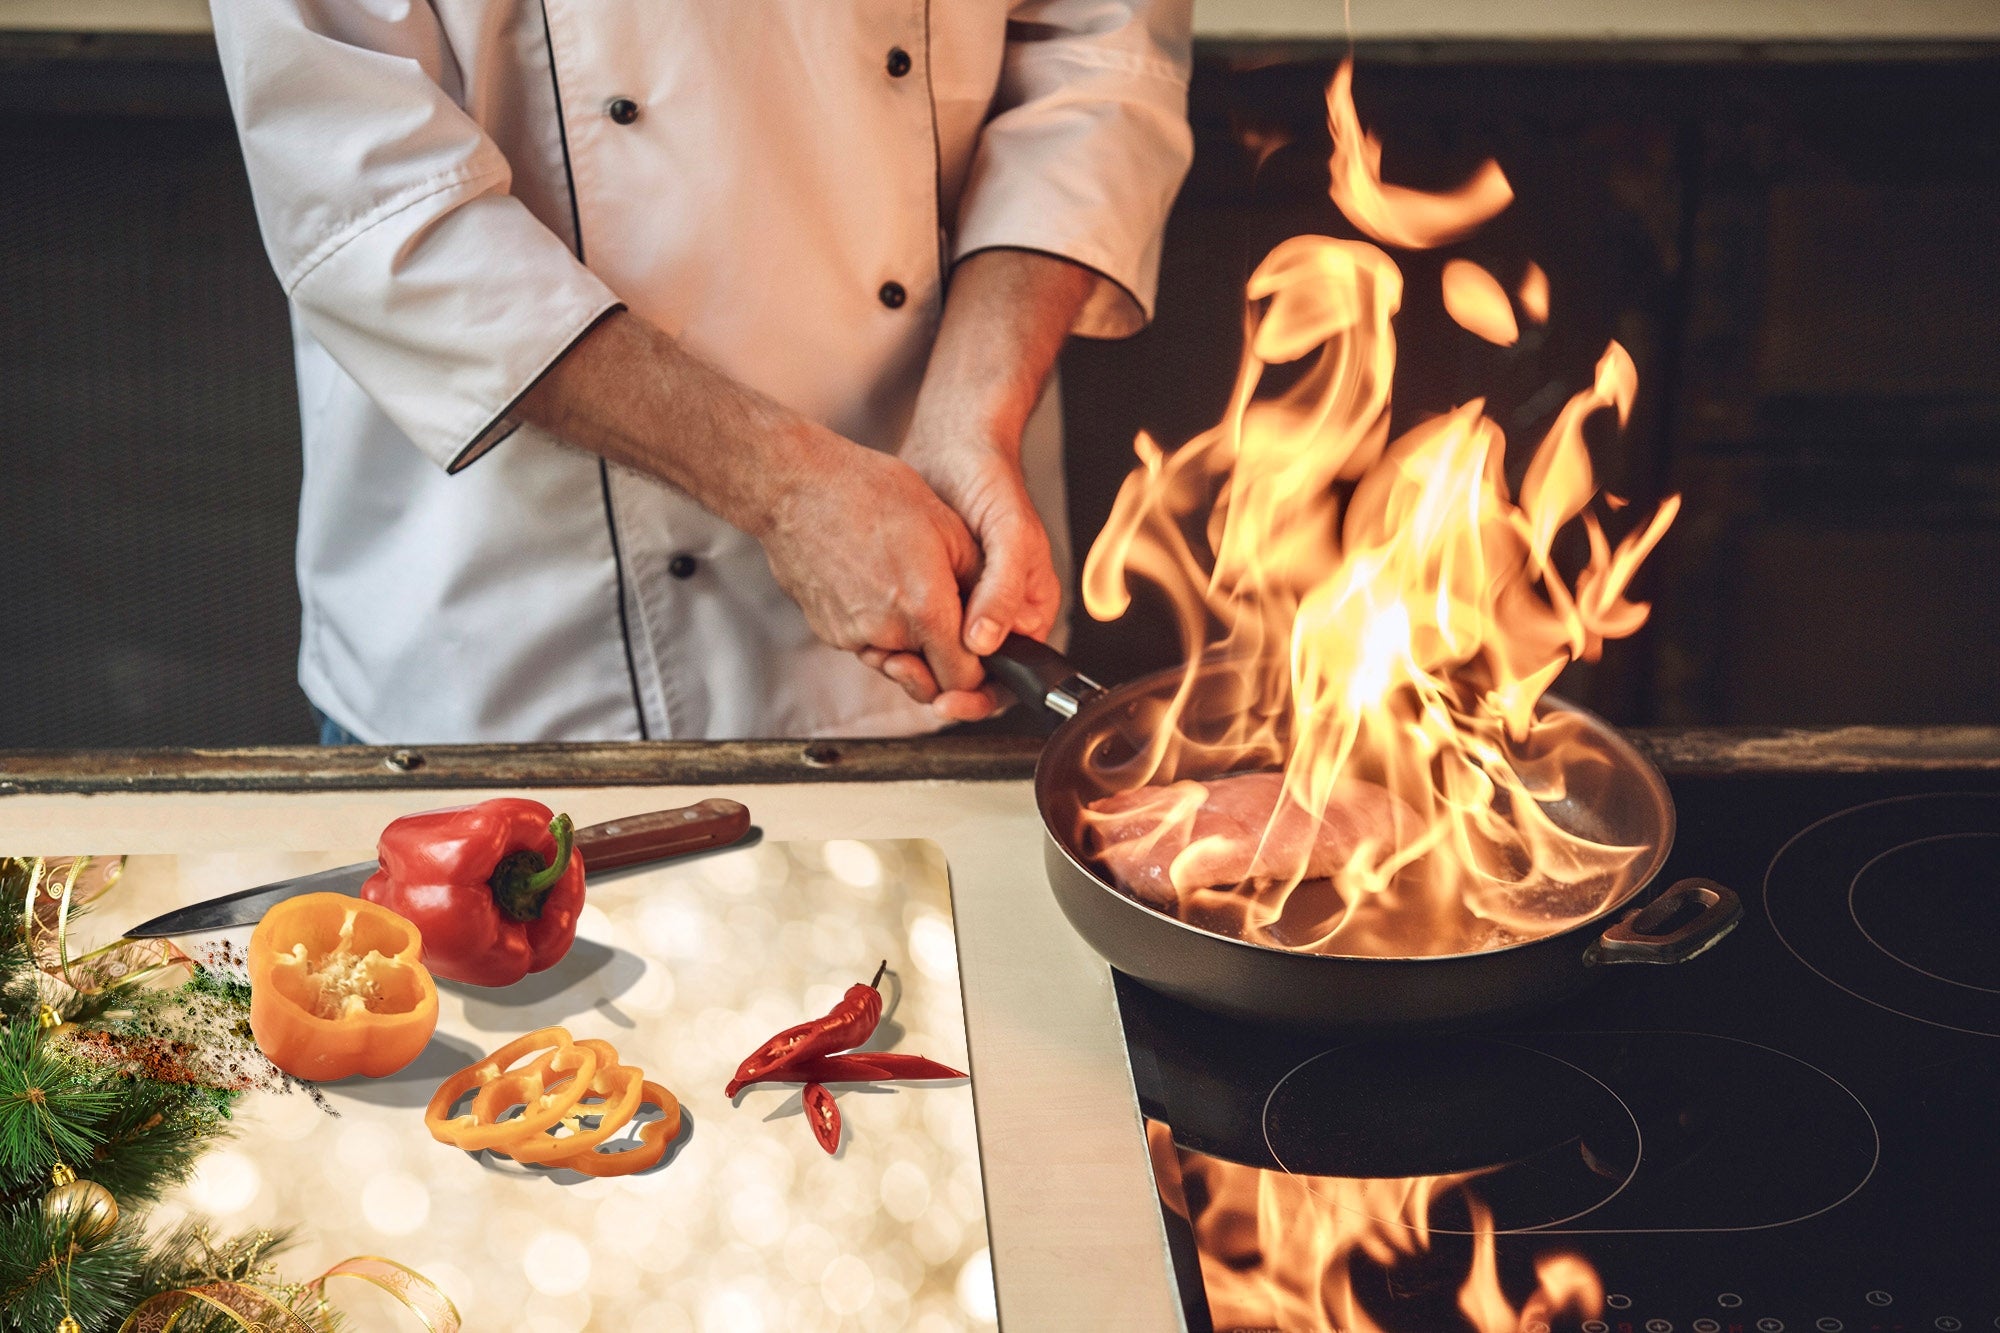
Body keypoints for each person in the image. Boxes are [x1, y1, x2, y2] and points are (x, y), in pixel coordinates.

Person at [210, 0, 1193, 742]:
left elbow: (1098, 60)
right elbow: (372, 197)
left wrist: (973, 417)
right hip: (521, 642)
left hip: (947, 580)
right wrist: (785, 491)